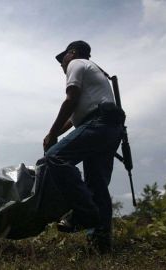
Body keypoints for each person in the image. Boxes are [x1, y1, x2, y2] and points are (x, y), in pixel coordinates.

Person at [43, 40, 125, 253]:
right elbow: (73, 119)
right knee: (97, 186)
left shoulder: (76, 64)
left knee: (55, 157)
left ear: (73, 53)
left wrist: (52, 136)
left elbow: (70, 100)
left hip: (97, 123)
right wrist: (52, 133)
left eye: (63, 59)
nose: (62, 65)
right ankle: (100, 245)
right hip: (108, 127)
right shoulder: (94, 75)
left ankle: (83, 213)